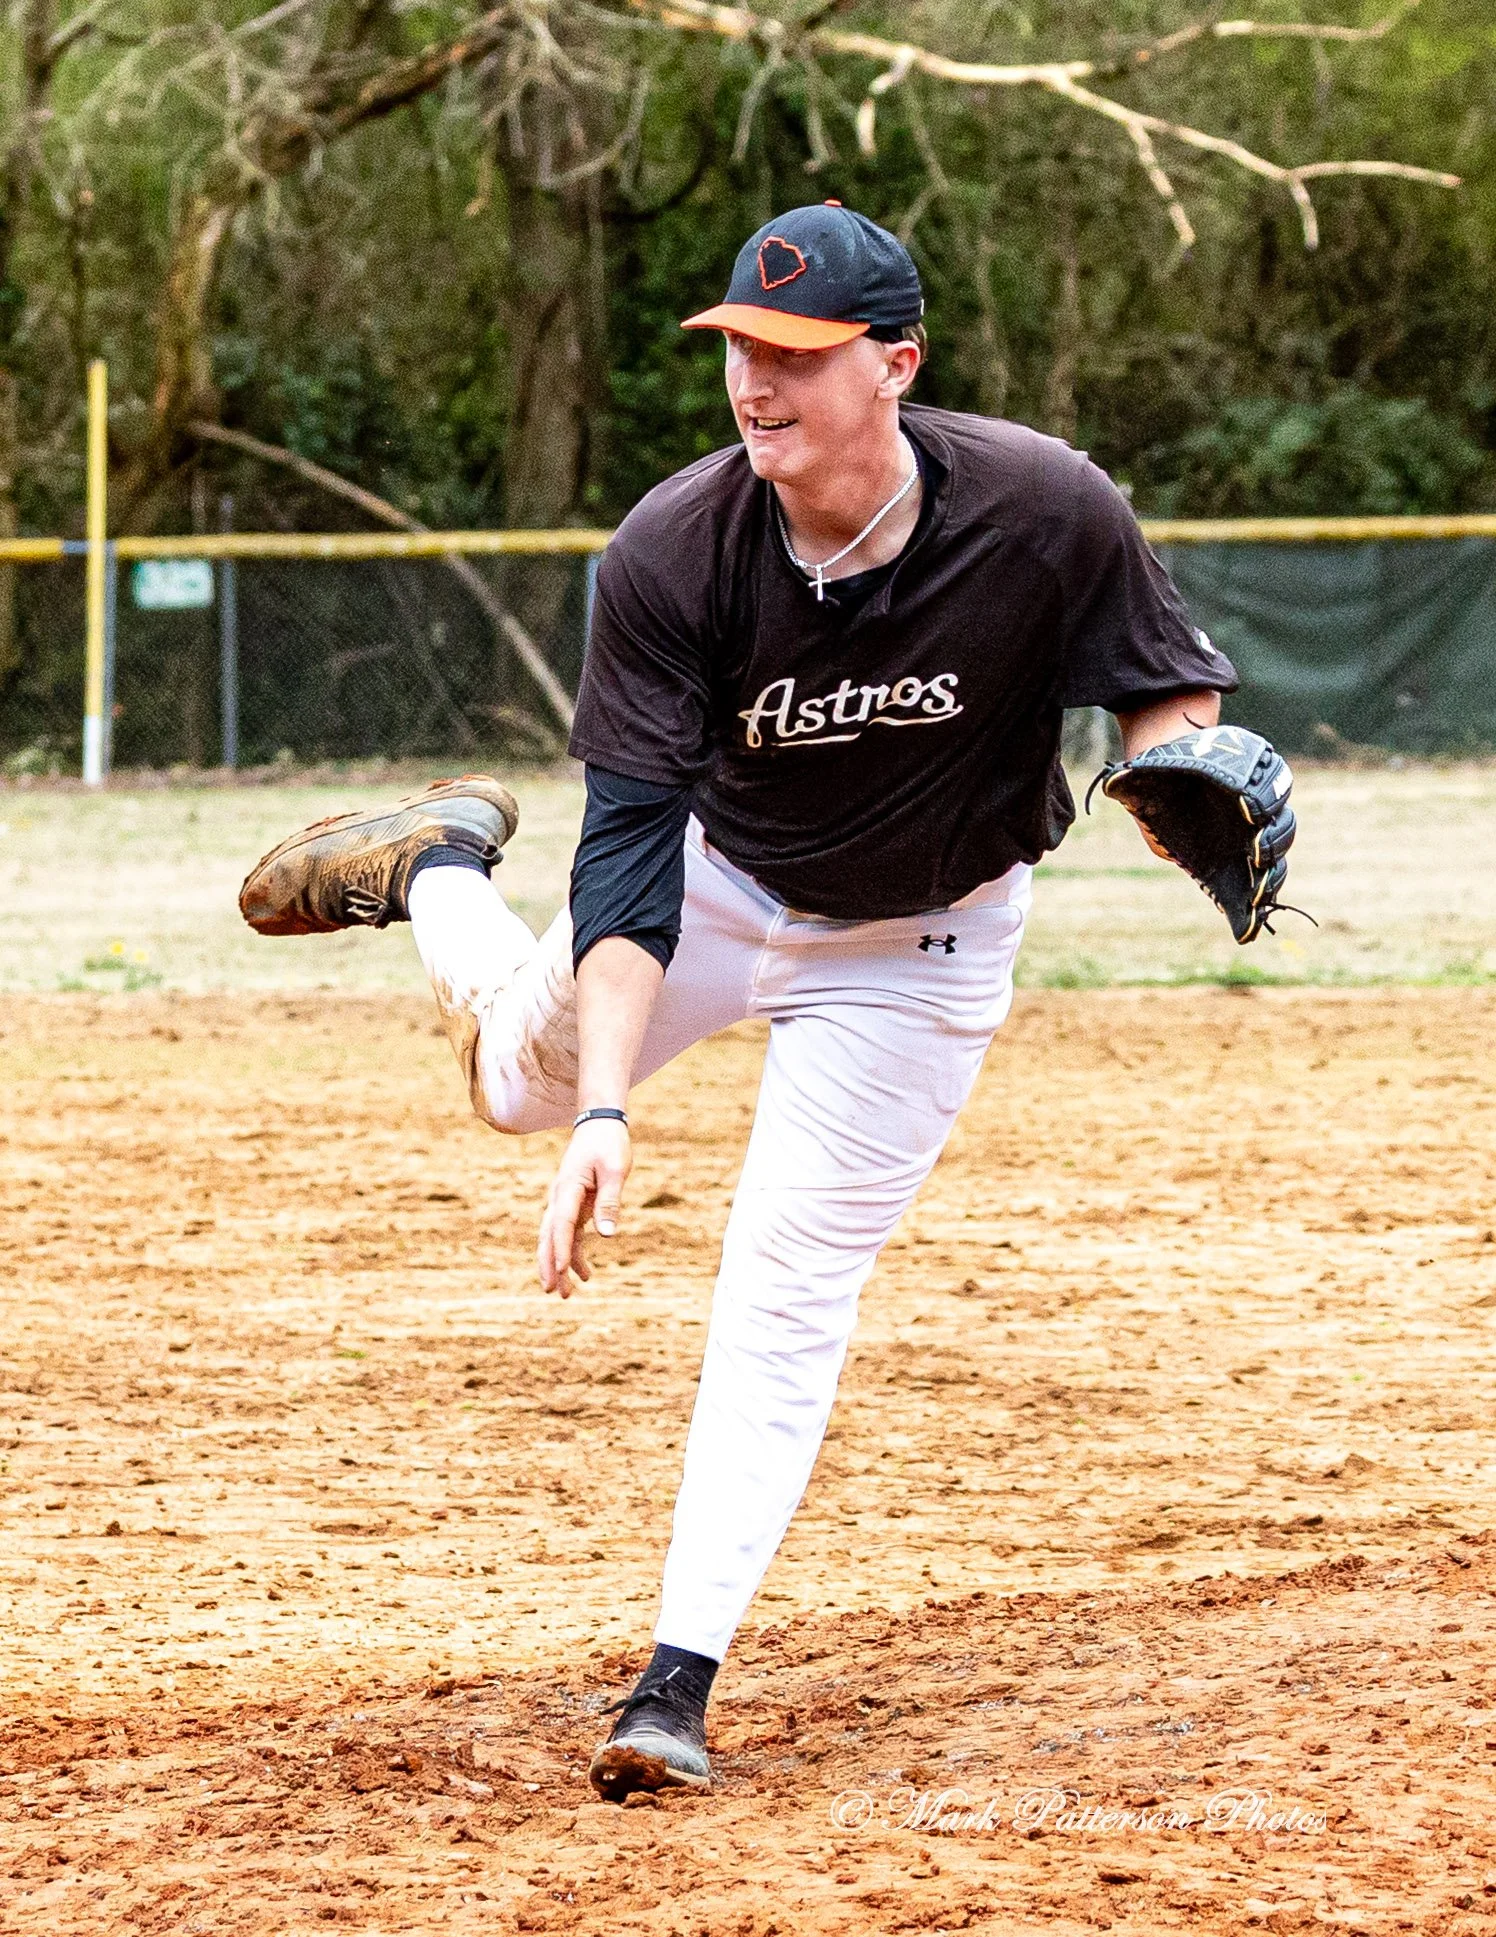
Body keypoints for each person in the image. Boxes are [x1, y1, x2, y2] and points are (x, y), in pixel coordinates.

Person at [240, 202, 1292, 1803]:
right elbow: (635, 859)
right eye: (740, 346)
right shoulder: (674, 548)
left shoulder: (1043, 506)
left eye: (796, 354)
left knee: (786, 1288)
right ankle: (441, 868)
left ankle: (675, 1678)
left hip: (926, 939)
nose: (757, 381)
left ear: (897, 362)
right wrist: (601, 1108)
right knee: (514, 1091)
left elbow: (1160, 675)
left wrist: (1172, 757)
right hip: (720, 888)